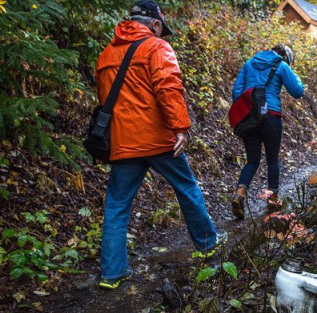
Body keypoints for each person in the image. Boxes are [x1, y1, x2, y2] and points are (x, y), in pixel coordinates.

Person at [94, 0, 226, 289]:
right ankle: (207, 246)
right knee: (187, 188)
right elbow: (169, 87)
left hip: (123, 143)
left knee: (116, 206)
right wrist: (180, 127)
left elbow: (106, 102)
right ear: (154, 24)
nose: (162, 34)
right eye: (161, 29)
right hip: (159, 140)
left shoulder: (105, 55)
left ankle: (111, 274)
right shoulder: (156, 47)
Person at [230, 44, 304, 219]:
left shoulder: (249, 63)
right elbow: (297, 91)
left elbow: (236, 92)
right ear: (285, 56)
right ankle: (272, 202)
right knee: (272, 160)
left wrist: (248, 109)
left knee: (252, 160)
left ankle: (239, 193)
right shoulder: (282, 66)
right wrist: (296, 77)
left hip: (250, 119)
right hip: (271, 116)